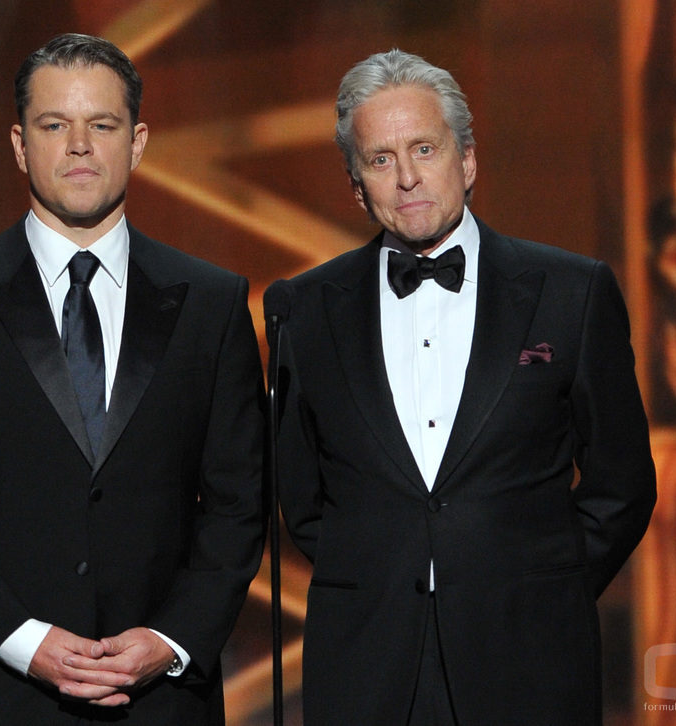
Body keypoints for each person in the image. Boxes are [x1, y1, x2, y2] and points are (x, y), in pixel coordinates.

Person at [0, 33, 265, 725]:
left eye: (102, 125)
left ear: (138, 141)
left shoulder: (211, 303)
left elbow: (239, 502)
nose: (79, 145)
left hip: (158, 698)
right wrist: (24, 641)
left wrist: (168, 639)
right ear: (21, 145)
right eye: (55, 125)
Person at [264, 50, 656, 725]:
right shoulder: (302, 309)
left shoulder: (570, 292)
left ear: (467, 160)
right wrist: (380, 577)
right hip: (365, 665)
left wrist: (541, 587)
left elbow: (620, 483)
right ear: (356, 186)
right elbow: (300, 497)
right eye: (380, 159)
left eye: (424, 148)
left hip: (530, 658)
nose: (408, 177)